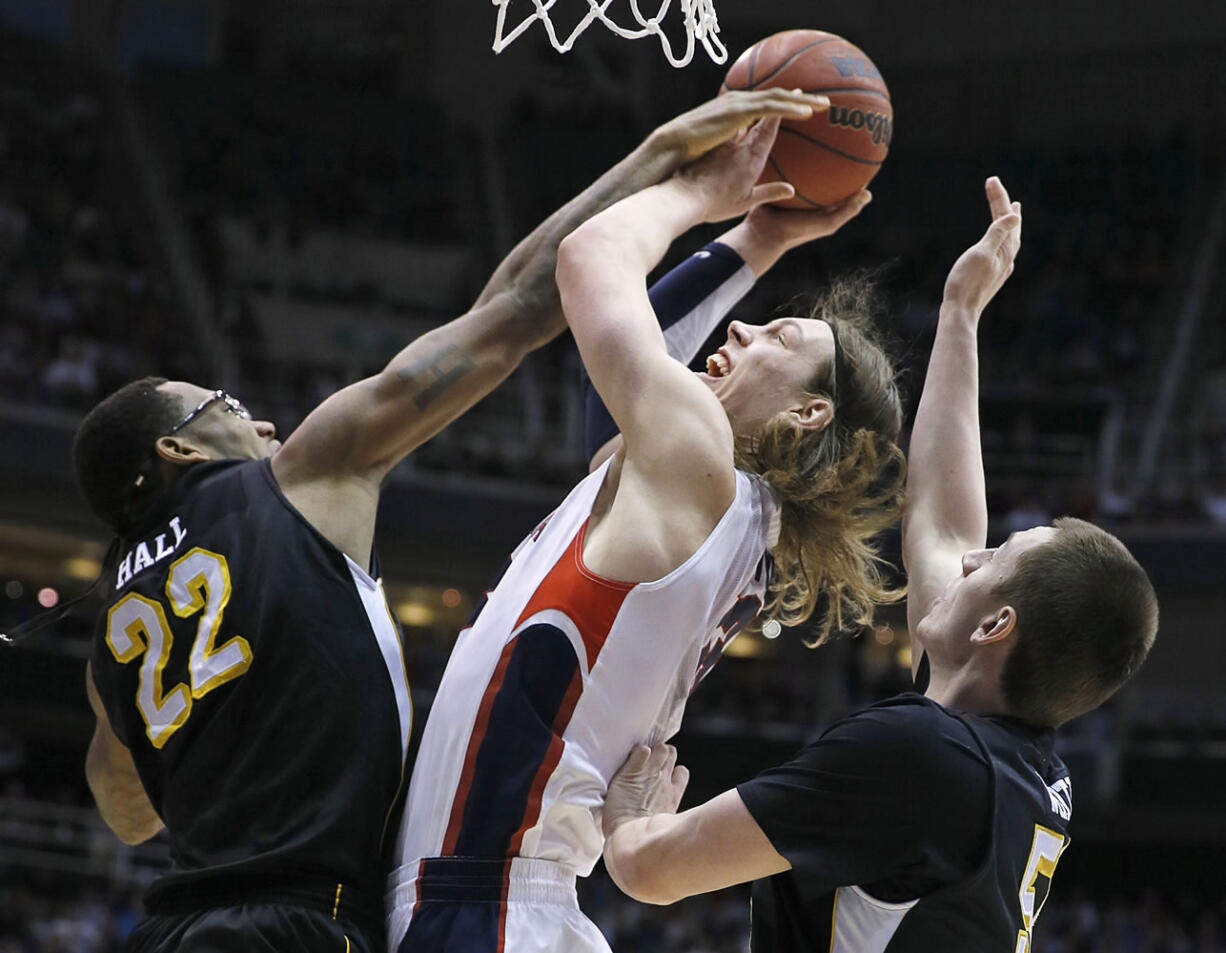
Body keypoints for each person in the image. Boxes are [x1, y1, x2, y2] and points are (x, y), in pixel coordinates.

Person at [67, 90, 826, 953]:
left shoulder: (109, 644)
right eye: (227, 405)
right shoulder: (301, 473)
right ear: (179, 450)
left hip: (171, 927)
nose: (261, 422)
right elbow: (514, 311)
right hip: (306, 919)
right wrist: (662, 160)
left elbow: (127, 812)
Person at [387, 114, 908, 952]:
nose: (739, 328)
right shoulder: (702, 498)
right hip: (501, 901)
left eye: (778, 336)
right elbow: (634, 364)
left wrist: (700, 193)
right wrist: (759, 239)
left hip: (485, 903)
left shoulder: (697, 464)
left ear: (812, 413)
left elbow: (590, 260)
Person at [599, 177, 1160, 953]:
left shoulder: (919, 757)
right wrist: (960, 313)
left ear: (997, 625)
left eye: (993, 561)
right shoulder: (1007, 763)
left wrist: (632, 807)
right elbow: (940, 516)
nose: (969, 557)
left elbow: (650, 869)